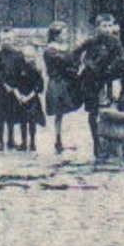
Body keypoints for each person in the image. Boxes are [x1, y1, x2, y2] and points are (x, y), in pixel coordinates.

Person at [70, 12, 124, 159]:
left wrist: (111, 68)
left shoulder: (115, 42)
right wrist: (80, 66)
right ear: (97, 27)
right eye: (104, 26)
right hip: (90, 78)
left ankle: (122, 95)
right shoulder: (92, 41)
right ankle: (96, 144)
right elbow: (75, 53)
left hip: (105, 75)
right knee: (93, 111)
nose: (107, 29)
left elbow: (123, 58)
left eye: (110, 26)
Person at [0, 28, 43, 153]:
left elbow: (23, 71)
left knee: (12, 115)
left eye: (8, 39)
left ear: (13, 40)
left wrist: (18, 87)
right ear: (0, 40)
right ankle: (0, 140)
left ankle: (11, 139)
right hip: (1, 90)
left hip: (15, 89)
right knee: (0, 116)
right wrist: (5, 84)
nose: (6, 42)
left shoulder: (18, 55)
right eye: (3, 39)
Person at [42, 21, 84, 154]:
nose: (66, 35)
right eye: (64, 33)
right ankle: (58, 139)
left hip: (67, 81)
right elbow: (65, 62)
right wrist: (73, 60)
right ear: (56, 35)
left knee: (66, 110)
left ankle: (63, 139)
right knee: (59, 112)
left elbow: (73, 62)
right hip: (57, 83)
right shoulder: (50, 50)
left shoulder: (65, 48)